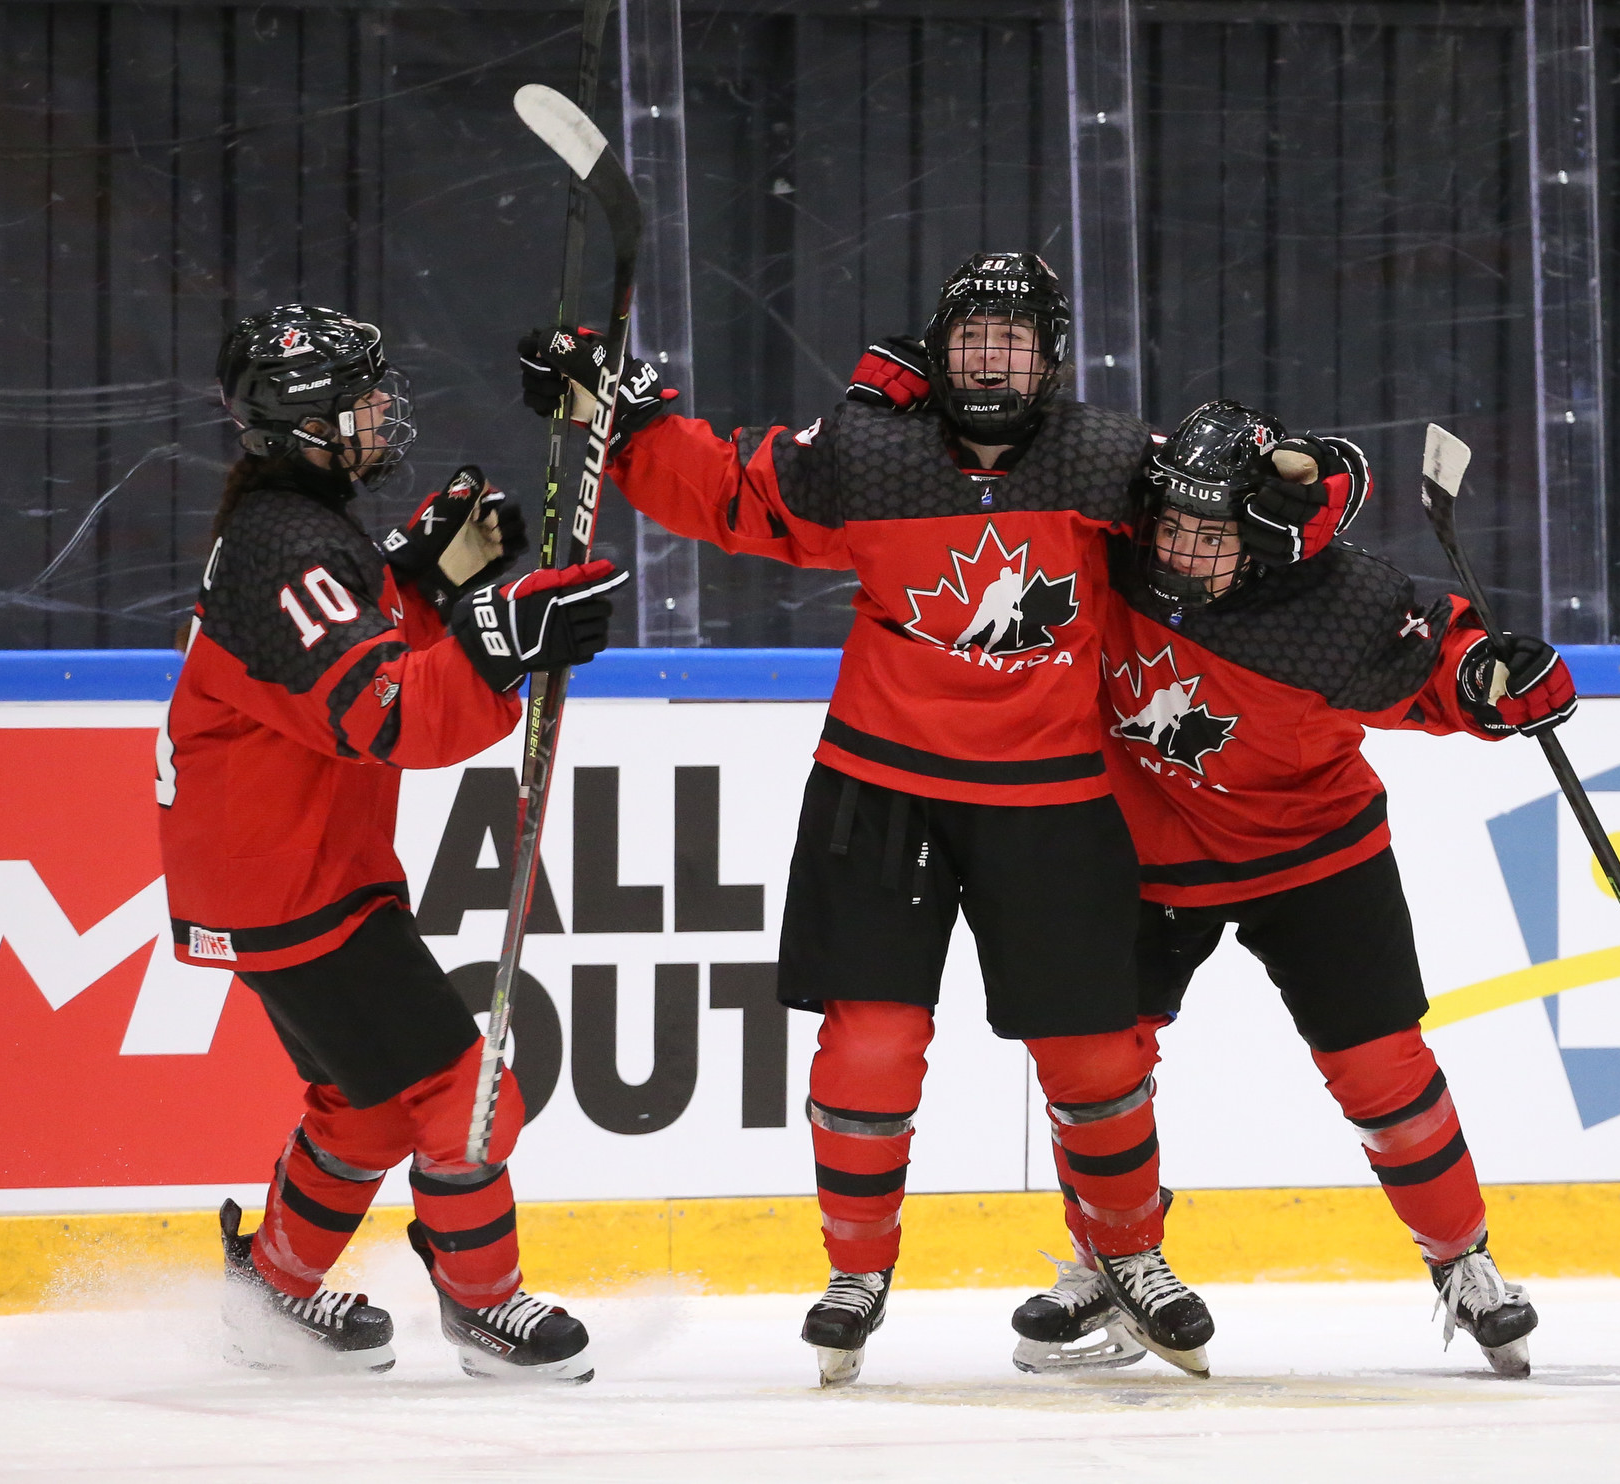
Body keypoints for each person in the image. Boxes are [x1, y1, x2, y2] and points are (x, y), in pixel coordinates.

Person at [518, 254, 1213, 1384]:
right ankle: (855, 1268)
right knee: (870, 1047)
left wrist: (1304, 492)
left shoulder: (1112, 462)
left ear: (1050, 356)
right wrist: (622, 414)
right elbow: (731, 492)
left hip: (1053, 793)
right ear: (937, 353)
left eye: (1014, 341)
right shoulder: (868, 454)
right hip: (880, 786)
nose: (990, 358)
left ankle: (1131, 1254)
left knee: (1093, 1051)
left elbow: (1224, 539)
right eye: (972, 338)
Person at [1004, 399, 1569, 1378]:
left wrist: (1494, 679)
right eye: (1170, 525)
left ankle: (1463, 1259)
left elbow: (1439, 664)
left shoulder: (1335, 603)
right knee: (1098, 1068)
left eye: (1210, 533)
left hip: (1315, 853)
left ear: (1261, 535)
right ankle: (1109, 1256)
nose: (1181, 551)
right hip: (1145, 856)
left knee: (1380, 1069)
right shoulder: (1105, 555)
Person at [160, 303, 623, 1380]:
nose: (380, 413)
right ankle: (483, 1305)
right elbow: (382, 714)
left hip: (280, 868)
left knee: (368, 1101)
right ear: (306, 422)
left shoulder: (299, 523)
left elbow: (355, 660)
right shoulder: (289, 544)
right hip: (288, 878)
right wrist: (499, 639)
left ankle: (274, 1291)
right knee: (463, 1090)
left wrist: (421, 585)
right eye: (359, 400)